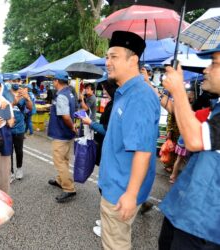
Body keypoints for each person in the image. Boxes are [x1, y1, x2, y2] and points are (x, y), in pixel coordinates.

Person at [98, 31, 160, 250]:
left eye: (113, 57)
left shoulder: (139, 96)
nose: (107, 62)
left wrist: (131, 194)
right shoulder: (126, 93)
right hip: (118, 185)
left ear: (133, 60)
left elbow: (143, 151)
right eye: (107, 57)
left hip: (121, 191)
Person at [158, 44, 220, 249]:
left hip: (203, 223)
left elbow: (194, 139)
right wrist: (161, 94)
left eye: (214, 63)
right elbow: (189, 119)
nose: (206, 69)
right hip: (188, 209)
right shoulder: (216, 107)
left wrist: (178, 89)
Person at [81, 79, 118, 237]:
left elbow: (109, 130)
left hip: (110, 149)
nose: (103, 91)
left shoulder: (116, 104)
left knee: (107, 187)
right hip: (107, 148)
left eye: (104, 88)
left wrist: (91, 123)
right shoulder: (114, 102)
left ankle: (108, 226)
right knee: (104, 184)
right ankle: (106, 221)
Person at [47, 71, 77, 203]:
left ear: (57, 81)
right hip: (67, 134)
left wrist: (71, 126)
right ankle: (60, 180)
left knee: (59, 161)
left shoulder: (61, 96)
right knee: (64, 159)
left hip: (61, 133)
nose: (53, 82)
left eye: (54, 80)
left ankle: (69, 188)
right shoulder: (70, 93)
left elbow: (65, 116)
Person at [9, 74, 32, 181]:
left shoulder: (24, 93)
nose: (15, 82)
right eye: (13, 80)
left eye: (17, 80)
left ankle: (19, 169)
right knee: (8, 151)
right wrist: (15, 100)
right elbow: (3, 108)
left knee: (19, 150)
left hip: (19, 128)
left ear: (20, 81)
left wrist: (26, 98)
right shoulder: (5, 93)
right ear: (10, 81)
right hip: (7, 128)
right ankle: (10, 172)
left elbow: (30, 108)